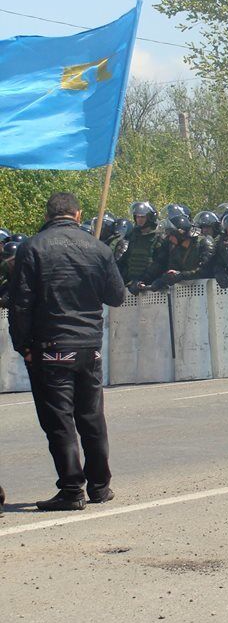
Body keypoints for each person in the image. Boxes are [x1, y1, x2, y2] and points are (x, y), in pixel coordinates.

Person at [8, 192, 126, 511]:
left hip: (51, 347)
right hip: (89, 346)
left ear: (49, 215)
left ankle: (72, 489)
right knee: (91, 418)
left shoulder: (33, 248)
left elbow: (20, 305)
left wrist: (23, 347)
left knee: (59, 422)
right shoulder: (98, 249)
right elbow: (117, 296)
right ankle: (100, 487)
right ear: (77, 214)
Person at [144, 215, 216, 289]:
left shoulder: (204, 243)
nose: (169, 239)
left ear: (180, 234)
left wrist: (181, 275)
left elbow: (205, 270)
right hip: (188, 293)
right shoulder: (175, 249)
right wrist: (163, 279)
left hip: (210, 291)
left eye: (171, 235)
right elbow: (172, 268)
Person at [118, 201, 163, 288]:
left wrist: (143, 280)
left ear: (150, 218)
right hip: (132, 284)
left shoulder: (158, 237)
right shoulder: (134, 236)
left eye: (142, 217)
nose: (139, 219)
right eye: (137, 217)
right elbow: (127, 259)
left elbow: (158, 264)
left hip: (149, 286)